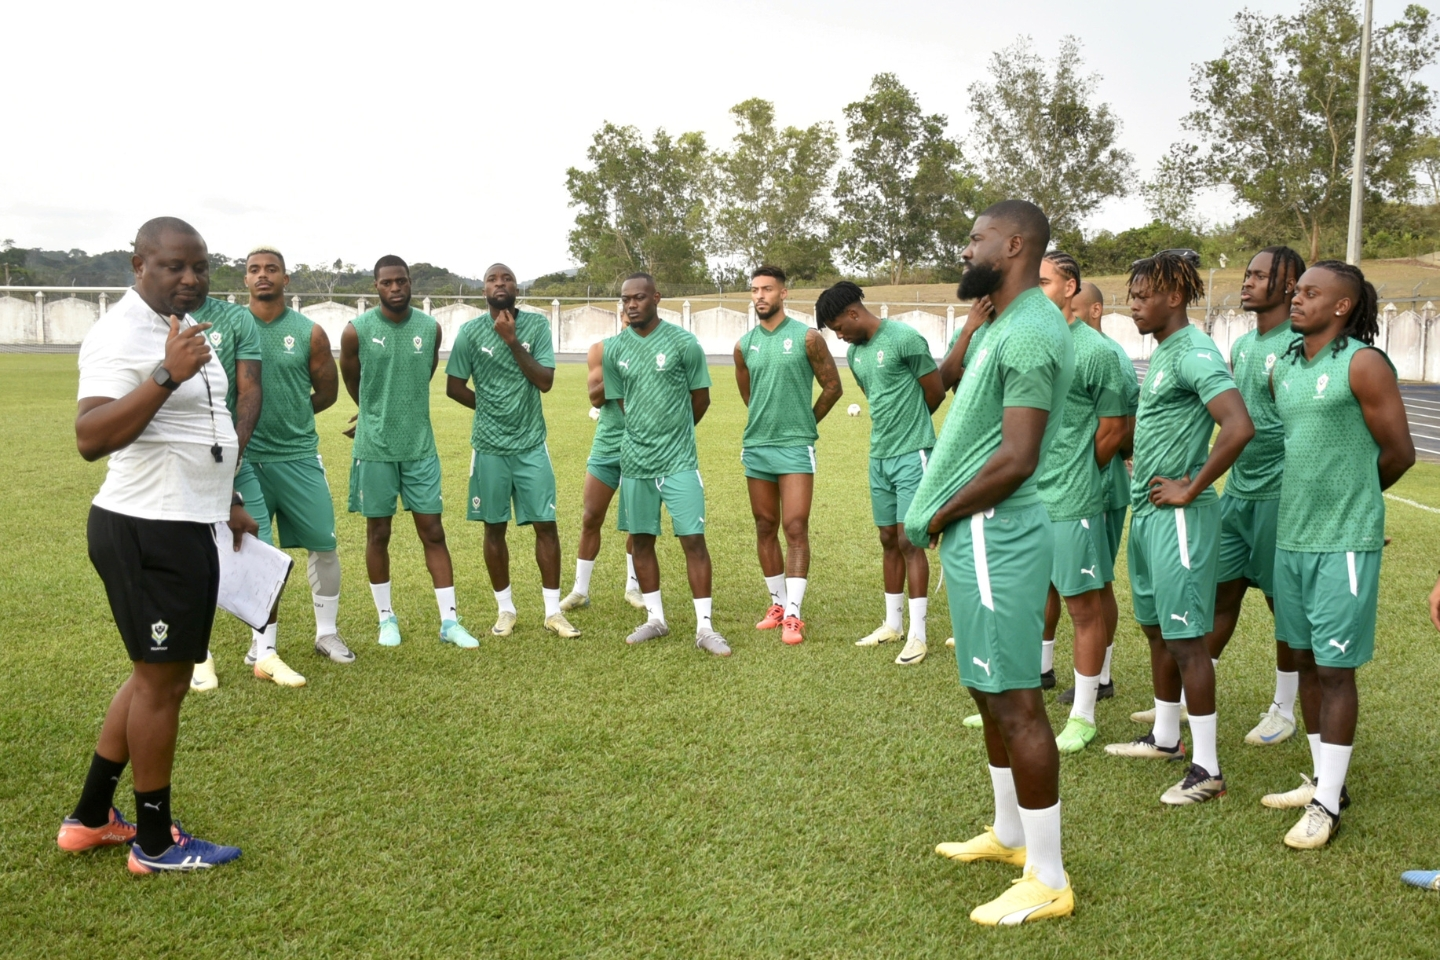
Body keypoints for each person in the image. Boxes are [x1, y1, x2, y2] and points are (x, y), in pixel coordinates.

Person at [906, 200, 1075, 924]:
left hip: (998, 530)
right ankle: (1011, 835)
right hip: (979, 534)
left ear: (1012, 246)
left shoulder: (1034, 330)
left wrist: (941, 512)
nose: (964, 248)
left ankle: (1050, 877)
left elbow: (1017, 456)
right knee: (987, 691)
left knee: (1017, 701)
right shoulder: (1000, 323)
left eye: (973, 239)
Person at [59, 216, 244, 872]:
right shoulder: (122, 333)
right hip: (149, 529)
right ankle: (156, 843)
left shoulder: (184, 327)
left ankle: (89, 819)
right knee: (162, 688)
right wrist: (164, 376)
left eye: (200, 267)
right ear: (139, 265)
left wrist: (229, 501)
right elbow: (90, 436)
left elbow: (201, 429)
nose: (190, 278)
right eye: (174, 266)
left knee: (149, 679)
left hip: (185, 521)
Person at [1261, 261, 1413, 849]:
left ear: (1343, 306)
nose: (1295, 300)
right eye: (1295, 291)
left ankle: (1326, 808)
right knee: (1302, 660)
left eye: (1309, 293)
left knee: (1334, 668)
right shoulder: (1287, 367)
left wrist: (1356, 508)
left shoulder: (1363, 363)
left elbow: (1399, 451)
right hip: (1292, 537)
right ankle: (1328, 782)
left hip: (1341, 541)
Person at [1103, 251, 1255, 810]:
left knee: (1188, 640)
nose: (1133, 304)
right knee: (1157, 631)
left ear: (1174, 297)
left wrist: (1191, 488)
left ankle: (1207, 769)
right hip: (1147, 515)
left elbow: (1239, 425)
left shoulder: (1193, 350)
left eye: (1143, 295)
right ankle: (1166, 738)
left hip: (1180, 519)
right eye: (1132, 295)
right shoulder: (1165, 351)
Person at [339, 255, 479, 650]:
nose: (396, 288)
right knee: (378, 532)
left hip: (419, 446)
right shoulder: (356, 331)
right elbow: (353, 379)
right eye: (387, 283)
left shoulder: (429, 328)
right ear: (376, 287)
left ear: (411, 284)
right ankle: (386, 619)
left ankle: (449, 622)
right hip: (375, 447)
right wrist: (371, 413)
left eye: (402, 281)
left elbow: (424, 374)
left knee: (433, 531)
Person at [1207, 247, 1308, 746]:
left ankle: (1283, 709)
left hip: (1279, 494)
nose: (1246, 282)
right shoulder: (1245, 345)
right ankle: (1191, 696)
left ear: (1289, 286)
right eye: (1246, 273)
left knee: (1281, 606)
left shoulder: (1298, 343)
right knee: (1220, 592)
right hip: (1237, 492)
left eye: (1260, 275)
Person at [446, 263, 579, 639]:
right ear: (483, 290)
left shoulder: (535, 326)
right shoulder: (471, 332)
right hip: (488, 446)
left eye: (506, 278)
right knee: (493, 528)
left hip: (531, 443)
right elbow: (454, 386)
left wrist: (510, 340)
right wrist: (489, 409)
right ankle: (505, 610)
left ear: (516, 288)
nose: (500, 283)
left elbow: (545, 381)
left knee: (545, 525)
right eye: (492, 279)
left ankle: (553, 611)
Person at [603, 273, 730, 656]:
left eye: (639, 297)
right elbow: (624, 405)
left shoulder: (683, 343)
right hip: (636, 462)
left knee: (693, 539)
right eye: (626, 299)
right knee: (641, 540)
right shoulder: (614, 350)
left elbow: (701, 399)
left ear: (656, 297)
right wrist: (644, 435)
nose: (631, 305)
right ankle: (655, 619)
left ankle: (705, 628)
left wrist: (673, 434)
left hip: (678, 462)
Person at [816, 282, 943, 664]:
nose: (838, 336)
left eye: (839, 327)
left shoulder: (905, 338)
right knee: (888, 538)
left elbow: (933, 393)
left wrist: (912, 431)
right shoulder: (855, 355)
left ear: (854, 313)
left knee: (910, 541)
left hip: (913, 452)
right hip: (879, 456)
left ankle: (918, 636)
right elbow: (878, 398)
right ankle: (893, 624)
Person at [239, 247, 353, 668]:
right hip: (245, 459)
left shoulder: (310, 332)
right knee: (256, 555)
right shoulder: (232, 327)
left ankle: (327, 634)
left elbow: (327, 393)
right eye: (254, 270)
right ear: (245, 280)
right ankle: (262, 642)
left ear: (287, 279)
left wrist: (291, 415)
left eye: (272, 269)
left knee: (323, 544)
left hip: (299, 455)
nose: (263, 275)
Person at [1034, 253, 1128, 755]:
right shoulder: (1032, 340)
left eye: (1044, 282)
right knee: (1037, 596)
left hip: (1075, 498)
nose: (1035, 290)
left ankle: (1084, 713)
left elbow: (1115, 429)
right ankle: (1034, 685)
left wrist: (1074, 473)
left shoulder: (1098, 352)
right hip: (1031, 497)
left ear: (1070, 287)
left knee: (1083, 605)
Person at [734, 265, 843, 645]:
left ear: (783, 294)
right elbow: (749, 394)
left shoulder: (807, 337)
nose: (759, 296)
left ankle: (794, 615)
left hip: (796, 446)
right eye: (754, 290)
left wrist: (804, 422)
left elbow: (833, 387)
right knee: (765, 525)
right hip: (757, 447)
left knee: (795, 527)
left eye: (767, 289)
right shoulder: (744, 345)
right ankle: (777, 604)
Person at [186, 291, 268, 689]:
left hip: (229, 454)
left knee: (257, 541)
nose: (189, 277)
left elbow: (249, 391)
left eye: (199, 267)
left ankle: (265, 651)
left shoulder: (235, 319)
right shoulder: (139, 321)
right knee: (190, 556)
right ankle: (199, 655)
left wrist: (234, 453)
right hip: (177, 463)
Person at [1063, 281, 1136, 703]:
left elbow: (1123, 429)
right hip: (1074, 487)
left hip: (1101, 487)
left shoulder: (1110, 356)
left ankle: (1102, 676)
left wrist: (1085, 469)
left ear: (1093, 310)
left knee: (1098, 583)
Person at [559, 334, 645, 614]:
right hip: (607, 443)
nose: (631, 311)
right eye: (626, 304)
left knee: (638, 522)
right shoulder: (600, 349)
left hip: (642, 444)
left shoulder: (659, 346)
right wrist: (621, 366)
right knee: (590, 517)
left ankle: (633, 587)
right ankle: (580, 591)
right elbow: (596, 398)